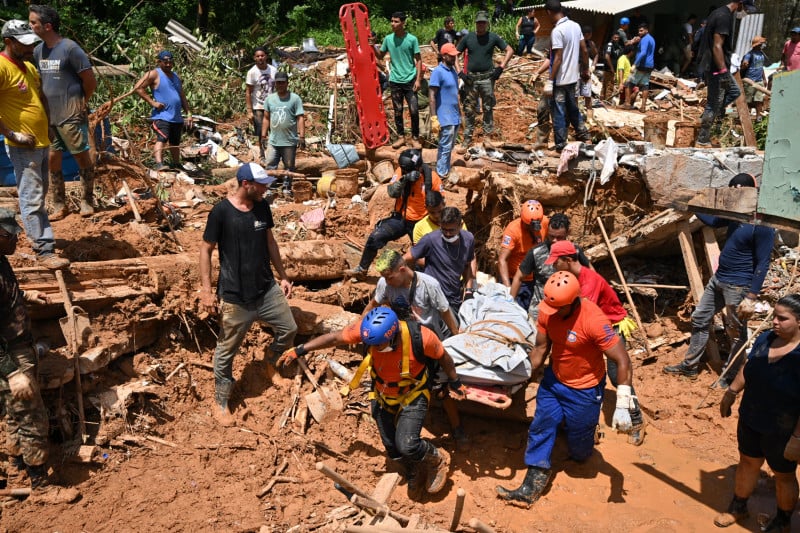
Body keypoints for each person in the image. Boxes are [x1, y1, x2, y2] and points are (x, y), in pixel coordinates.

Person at [276, 307, 466, 497]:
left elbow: (443, 357)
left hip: (412, 394)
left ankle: (435, 459)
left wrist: (455, 381)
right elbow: (334, 338)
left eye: (379, 345)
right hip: (382, 394)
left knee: (407, 444)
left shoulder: (421, 337)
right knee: (391, 446)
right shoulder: (369, 333)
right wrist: (300, 350)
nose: (373, 349)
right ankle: (413, 467)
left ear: (393, 336)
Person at [496, 271, 636, 506]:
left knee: (581, 453)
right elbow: (540, 350)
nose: (551, 313)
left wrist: (623, 401)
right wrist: (516, 381)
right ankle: (532, 482)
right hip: (554, 382)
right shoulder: (548, 311)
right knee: (542, 423)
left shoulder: (593, 320)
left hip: (585, 389)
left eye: (558, 308)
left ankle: (586, 435)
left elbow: (622, 360)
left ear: (572, 303)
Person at [199, 163, 298, 426]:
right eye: (262, 184)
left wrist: (283, 276)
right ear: (246, 184)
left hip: (265, 289)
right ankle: (220, 400)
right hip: (234, 296)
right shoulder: (221, 212)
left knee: (288, 328)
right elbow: (206, 250)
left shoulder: (263, 207)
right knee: (226, 350)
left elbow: (270, 242)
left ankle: (270, 363)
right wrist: (207, 292)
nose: (266, 188)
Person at [0, 208, 79, 504]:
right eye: (11, 237)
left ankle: (17, 468)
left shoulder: (1, 261)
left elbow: (5, 298)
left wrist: (26, 296)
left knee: (15, 414)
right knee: (32, 418)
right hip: (10, 357)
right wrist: (11, 371)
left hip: (18, 350)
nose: (17, 242)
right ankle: (40, 485)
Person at [664, 174, 776, 380]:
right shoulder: (736, 213)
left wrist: (751, 297)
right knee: (700, 318)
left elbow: (763, 263)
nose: (736, 191)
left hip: (738, 286)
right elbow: (714, 222)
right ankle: (690, 366)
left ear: (753, 192)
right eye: (733, 188)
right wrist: (692, 206)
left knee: (735, 332)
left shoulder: (763, 225)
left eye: (741, 188)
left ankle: (730, 375)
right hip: (719, 279)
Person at [546, 240, 645, 445]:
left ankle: (636, 421)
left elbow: (582, 315)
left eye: (556, 262)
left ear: (568, 260)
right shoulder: (570, 278)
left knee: (617, 374)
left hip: (611, 325)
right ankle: (588, 423)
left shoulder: (588, 282)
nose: (553, 267)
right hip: (592, 328)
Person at [715, 294, 800, 532]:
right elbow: (748, 367)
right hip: (752, 417)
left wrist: (797, 438)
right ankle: (738, 507)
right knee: (748, 462)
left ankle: (783, 521)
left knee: (783, 475)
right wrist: (731, 392)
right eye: (774, 316)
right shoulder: (765, 339)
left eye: (782, 318)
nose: (775, 322)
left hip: (784, 428)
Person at [0, 20, 69, 270]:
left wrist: (49, 126)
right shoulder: (1, 67)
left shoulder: (28, 67)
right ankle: (43, 249)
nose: (31, 49)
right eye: (25, 44)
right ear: (9, 42)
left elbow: (39, 98)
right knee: (32, 197)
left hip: (40, 141)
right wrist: (12, 134)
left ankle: (42, 240)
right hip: (22, 145)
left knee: (39, 194)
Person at [28, 4, 98, 219]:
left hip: (70, 113)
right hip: (50, 115)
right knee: (52, 159)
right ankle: (60, 204)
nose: (30, 26)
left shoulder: (70, 49)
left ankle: (87, 200)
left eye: (34, 23)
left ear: (47, 26)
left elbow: (90, 81)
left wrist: (81, 103)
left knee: (80, 155)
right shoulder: (39, 51)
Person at [346, 149, 442, 277]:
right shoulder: (400, 172)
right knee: (376, 237)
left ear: (419, 167)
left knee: (423, 253)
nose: (408, 172)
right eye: (406, 170)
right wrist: (404, 180)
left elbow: (440, 203)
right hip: (401, 218)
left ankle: (422, 281)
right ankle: (362, 269)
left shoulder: (432, 178)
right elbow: (392, 192)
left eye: (411, 170)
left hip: (421, 221)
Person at [695, 1, 756, 147]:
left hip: (714, 65)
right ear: (740, 3)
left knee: (733, 92)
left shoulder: (719, 13)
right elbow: (717, 46)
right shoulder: (724, 17)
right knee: (714, 103)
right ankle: (703, 138)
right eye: (746, 8)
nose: (745, 11)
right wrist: (723, 70)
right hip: (717, 68)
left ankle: (707, 116)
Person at [363, 248, 459, 340]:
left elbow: (445, 312)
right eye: (385, 278)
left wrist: (456, 337)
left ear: (402, 270)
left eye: (390, 278)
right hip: (403, 335)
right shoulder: (384, 283)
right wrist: (361, 327)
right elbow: (373, 305)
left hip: (428, 336)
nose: (387, 282)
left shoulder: (429, 284)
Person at [509, 212, 589, 321]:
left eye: (559, 237)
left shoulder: (575, 251)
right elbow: (518, 277)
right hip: (541, 310)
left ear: (567, 233)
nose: (555, 241)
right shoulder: (536, 252)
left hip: (568, 309)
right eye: (552, 236)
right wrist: (510, 303)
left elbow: (589, 275)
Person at [456, 11, 514, 147]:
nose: (480, 25)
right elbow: (454, 55)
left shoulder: (492, 37)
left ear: (487, 23)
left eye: (483, 22)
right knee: (469, 109)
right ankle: (467, 139)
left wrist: (501, 67)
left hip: (487, 79)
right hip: (471, 80)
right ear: (475, 23)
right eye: (478, 22)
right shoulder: (468, 38)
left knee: (488, 108)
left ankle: (487, 137)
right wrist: (460, 73)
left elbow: (510, 50)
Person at [407, 207, 476, 314]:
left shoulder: (468, 239)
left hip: (453, 298)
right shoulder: (431, 239)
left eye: (451, 230)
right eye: (444, 230)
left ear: (460, 226)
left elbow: (467, 266)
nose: (448, 234)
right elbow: (407, 258)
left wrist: (468, 291)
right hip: (430, 299)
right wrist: (411, 283)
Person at [544, 0, 591, 151]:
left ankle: (560, 145)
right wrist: (585, 70)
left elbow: (558, 57)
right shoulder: (575, 26)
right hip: (573, 78)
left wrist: (550, 80)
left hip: (560, 79)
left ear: (549, 12)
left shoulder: (557, 31)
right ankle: (585, 136)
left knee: (558, 111)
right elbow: (584, 51)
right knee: (573, 108)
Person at [134, 50, 193, 170]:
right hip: (162, 116)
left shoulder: (175, 76)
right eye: (165, 62)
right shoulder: (154, 74)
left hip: (176, 117)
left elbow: (182, 96)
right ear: (159, 62)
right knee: (163, 138)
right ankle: (159, 164)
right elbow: (138, 88)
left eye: (170, 62)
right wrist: (152, 102)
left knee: (175, 142)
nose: (168, 64)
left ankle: (176, 164)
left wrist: (189, 113)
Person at [378, 12, 422, 150]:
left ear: (403, 23)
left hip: (410, 80)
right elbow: (380, 55)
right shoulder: (388, 39)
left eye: (396, 21)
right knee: (397, 110)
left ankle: (415, 137)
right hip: (395, 80)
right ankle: (401, 137)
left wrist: (418, 79)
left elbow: (419, 59)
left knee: (414, 110)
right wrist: (372, 46)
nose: (393, 24)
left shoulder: (412, 39)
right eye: (391, 21)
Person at [498, 199, 550, 309]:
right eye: (529, 226)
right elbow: (502, 260)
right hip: (515, 279)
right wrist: (508, 287)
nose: (532, 229)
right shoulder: (513, 230)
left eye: (535, 226)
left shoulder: (544, 222)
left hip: (535, 278)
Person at [261, 71, 305, 196]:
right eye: (278, 83)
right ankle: (270, 188)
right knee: (270, 165)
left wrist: (301, 136)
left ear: (287, 83)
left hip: (289, 141)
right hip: (274, 140)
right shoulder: (270, 99)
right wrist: (263, 136)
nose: (280, 85)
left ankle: (287, 187)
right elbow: (266, 118)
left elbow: (300, 118)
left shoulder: (295, 99)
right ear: (275, 84)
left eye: (282, 82)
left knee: (289, 166)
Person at [429, 43, 461, 179]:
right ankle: (441, 174)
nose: (454, 58)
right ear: (444, 56)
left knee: (450, 147)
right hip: (444, 117)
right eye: (451, 56)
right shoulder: (438, 72)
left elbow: (455, 94)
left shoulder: (453, 71)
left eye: (455, 56)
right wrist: (434, 118)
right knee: (445, 147)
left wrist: (461, 115)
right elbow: (431, 96)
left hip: (454, 116)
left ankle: (444, 169)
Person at [244, 47, 277, 161]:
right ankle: (262, 154)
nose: (260, 58)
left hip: (272, 105)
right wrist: (249, 111)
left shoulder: (273, 70)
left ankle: (274, 153)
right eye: (258, 56)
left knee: (274, 129)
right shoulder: (252, 72)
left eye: (262, 56)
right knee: (260, 131)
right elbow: (248, 92)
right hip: (258, 106)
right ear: (254, 58)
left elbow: (277, 88)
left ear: (266, 56)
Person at [624, 23, 655, 112]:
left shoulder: (645, 39)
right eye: (639, 31)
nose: (639, 32)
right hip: (649, 65)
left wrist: (635, 64)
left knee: (628, 83)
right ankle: (643, 106)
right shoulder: (651, 39)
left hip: (641, 65)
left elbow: (643, 53)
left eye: (641, 31)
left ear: (646, 30)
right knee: (645, 85)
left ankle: (627, 103)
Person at [740, 36, 768, 122]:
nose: (762, 46)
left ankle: (758, 116)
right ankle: (746, 117)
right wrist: (744, 65)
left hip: (759, 80)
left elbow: (761, 67)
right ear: (756, 45)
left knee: (759, 99)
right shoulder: (749, 55)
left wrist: (764, 79)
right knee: (747, 100)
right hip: (749, 80)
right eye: (760, 44)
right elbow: (744, 65)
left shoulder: (761, 54)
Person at [532, 51, 552, 149]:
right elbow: (550, 59)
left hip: (565, 82)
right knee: (542, 108)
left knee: (562, 112)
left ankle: (561, 143)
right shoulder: (554, 41)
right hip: (553, 81)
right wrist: (538, 72)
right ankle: (542, 142)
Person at [579, 26, 599, 116]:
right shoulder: (577, 43)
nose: (586, 36)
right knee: (575, 95)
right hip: (577, 70)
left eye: (588, 34)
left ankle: (589, 117)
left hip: (586, 71)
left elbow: (596, 54)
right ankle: (576, 116)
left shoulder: (591, 43)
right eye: (584, 34)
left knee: (587, 94)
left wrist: (593, 66)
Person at [602, 33, 623, 102]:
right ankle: (607, 101)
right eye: (615, 38)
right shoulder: (610, 45)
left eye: (617, 38)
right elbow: (607, 56)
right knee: (609, 86)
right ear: (612, 38)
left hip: (612, 69)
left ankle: (603, 100)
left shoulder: (617, 47)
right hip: (608, 69)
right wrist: (611, 68)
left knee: (606, 85)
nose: (616, 39)